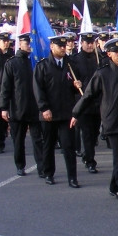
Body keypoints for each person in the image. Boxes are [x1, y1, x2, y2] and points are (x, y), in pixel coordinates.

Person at [74, 38, 118, 204]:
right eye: (116, 52)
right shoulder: (102, 73)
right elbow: (88, 95)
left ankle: (114, 185)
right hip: (112, 121)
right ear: (109, 54)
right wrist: (76, 112)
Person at [34, 34, 82, 188]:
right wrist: (44, 108)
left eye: (64, 45)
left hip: (66, 112)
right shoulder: (42, 66)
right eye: (59, 46)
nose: (63, 48)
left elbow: (77, 89)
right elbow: (38, 90)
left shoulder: (70, 65)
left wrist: (77, 85)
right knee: (48, 144)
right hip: (49, 113)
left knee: (69, 146)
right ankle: (48, 173)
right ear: (51, 47)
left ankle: (72, 177)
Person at [0, 33, 43, 176]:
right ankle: (20, 165)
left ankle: (42, 167)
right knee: (18, 140)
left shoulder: (35, 62)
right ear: (20, 44)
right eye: (27, 43)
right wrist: (4, 108)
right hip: (18, 109)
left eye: (31, 43)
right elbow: (5, 87)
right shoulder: (12, 63)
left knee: (38, 139)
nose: (30, 46)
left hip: (34, 108)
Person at [70, 32, 101, 173]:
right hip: (83, 102)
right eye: (87, 42)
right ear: (81, 43)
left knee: (94, 134)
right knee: (87, 133)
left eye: (91, 42)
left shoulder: (100, 59)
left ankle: (87, 154)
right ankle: (90, 161)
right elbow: (67, 78)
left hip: (98, 102)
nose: (89, 45)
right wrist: (74, 84)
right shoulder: (74, 60)